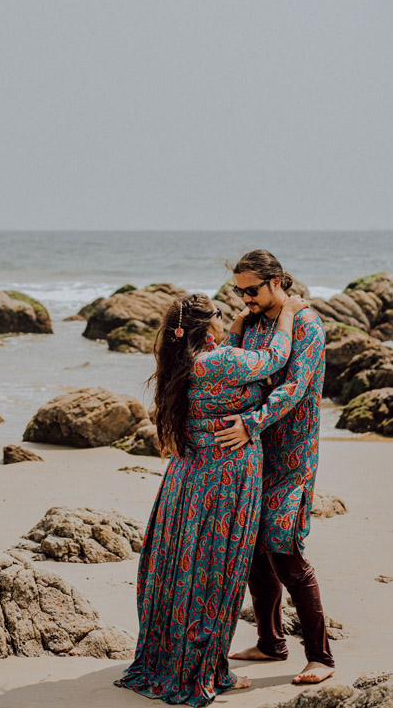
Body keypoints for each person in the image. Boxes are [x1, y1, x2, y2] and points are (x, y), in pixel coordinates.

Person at [115, 291, 307, 707]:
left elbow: (227, 355)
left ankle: (171, 658)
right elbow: (274, 357)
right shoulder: (219, 361)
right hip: (224, 482)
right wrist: (289, 312)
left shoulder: (181, 363)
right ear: (207, 327)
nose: (228, 317)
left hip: (186, 481)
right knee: (214, 572)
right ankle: (203, 667)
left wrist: (233, 325)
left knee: (181, 568)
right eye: (219, 315)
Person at [214, 249, 335, 685]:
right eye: (238, 290)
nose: (244, 297)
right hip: (255, 456)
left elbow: (296, 387)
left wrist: (250, 423)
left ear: (277, 281)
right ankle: (270, 643)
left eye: (251, 290)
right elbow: (238, 372)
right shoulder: (253, 323)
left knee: (285, 552)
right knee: (252, 551)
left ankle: (321, 657)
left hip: (294, 456)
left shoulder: (306, 324)